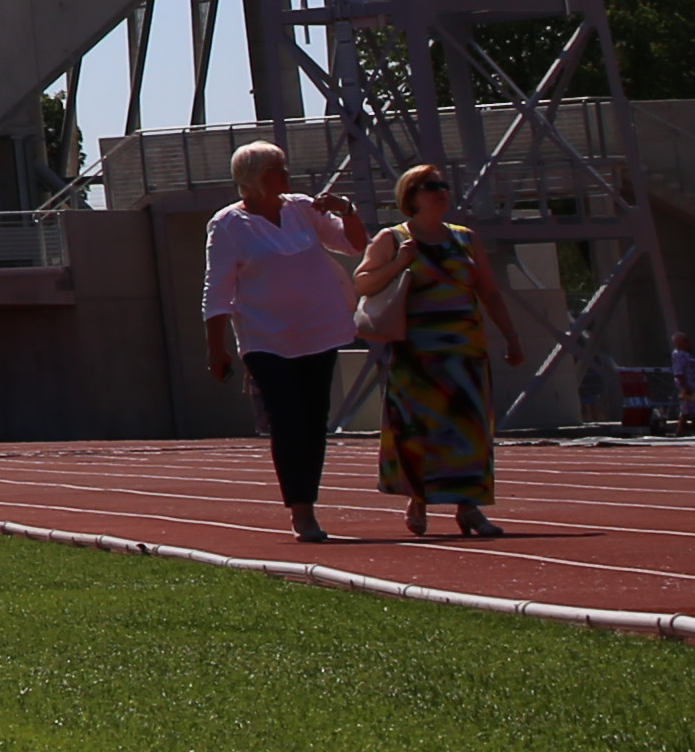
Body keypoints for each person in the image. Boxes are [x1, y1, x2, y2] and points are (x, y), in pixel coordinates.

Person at [196, 139, 367, 540]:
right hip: (265, 338)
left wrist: (347, 210)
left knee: (312, 420)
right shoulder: (227, 225)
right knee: (287, 420)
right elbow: (216, 288)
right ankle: (301, 510)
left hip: (319, 329)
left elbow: (353, 244)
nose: (288, 176)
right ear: (255, 179)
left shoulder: (302, 208)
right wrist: (216, 347)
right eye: (280, 169)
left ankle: (308, 498)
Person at [348, 163, 527, 540]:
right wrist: (400, 262)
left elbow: (489, 292)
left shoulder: (465, 238)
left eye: (443, 185)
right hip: (417, 356)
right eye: (431, 186)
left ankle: (470, 508)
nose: (441, 191)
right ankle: (418, 498)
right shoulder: (393, 238)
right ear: (411, 196)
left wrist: (511, 335)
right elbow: (362, 282)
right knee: (417, 430)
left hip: (465, 353)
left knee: (470, 431)